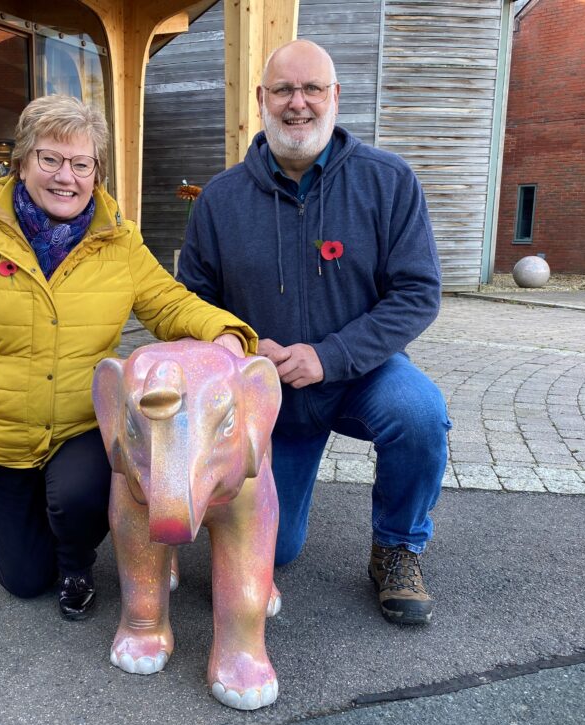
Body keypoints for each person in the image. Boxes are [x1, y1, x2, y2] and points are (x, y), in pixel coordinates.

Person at [0, 95, 256, 621]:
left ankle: (77, 559)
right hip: (2, 431)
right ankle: (43, 543)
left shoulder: (118, 241)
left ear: (96, 172)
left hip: (81, 425)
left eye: (81, 163)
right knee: (24, 580)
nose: (65, 177)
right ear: (23, 162)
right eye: (50, 159)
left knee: (80, 499)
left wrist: (226, 333)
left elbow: (169, 303)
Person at [178, 40, 450, 625]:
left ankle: (397, 548)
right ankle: (272, 514)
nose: (297, 103)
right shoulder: (220, 200)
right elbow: (191, 302)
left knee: (420, 412)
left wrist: (331, 356)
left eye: (311, 89)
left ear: (334, 97)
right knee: (277, 551)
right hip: (265, 393)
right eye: (283, 90)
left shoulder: (388, 182)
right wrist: (243, 347)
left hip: (361, 376)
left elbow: (417, 292)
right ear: (261, 100)